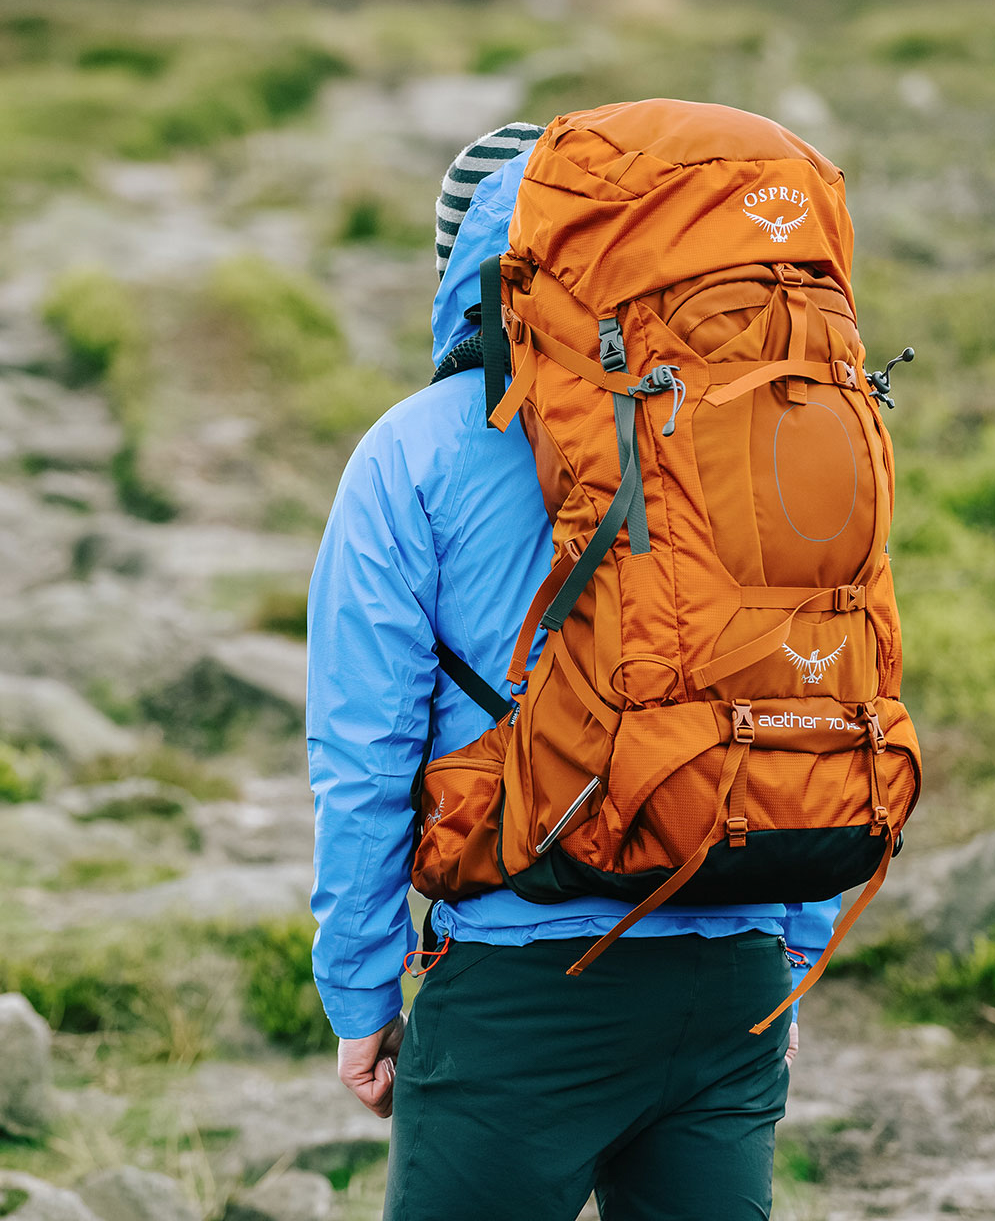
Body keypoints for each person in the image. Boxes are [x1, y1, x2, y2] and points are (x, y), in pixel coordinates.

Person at [304, 123, 843, 1221]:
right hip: (728, 965)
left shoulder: (415, 450)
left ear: (466, 268)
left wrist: (361, 990)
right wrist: (788, 945)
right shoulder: (763, 427)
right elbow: (815, 686)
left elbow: (363, 758)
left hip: (518, 987)